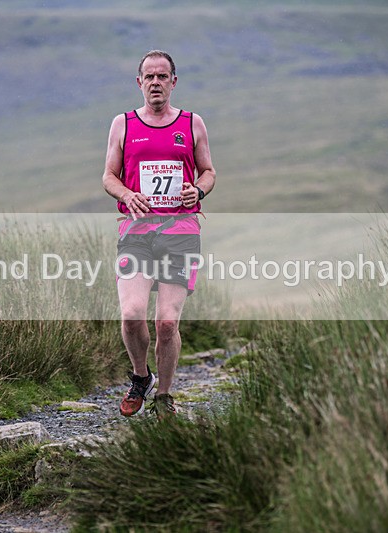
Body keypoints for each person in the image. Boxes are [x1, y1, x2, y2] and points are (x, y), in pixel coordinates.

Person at [102, 50, 216, 420]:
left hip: (181, 232)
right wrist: (126, 194)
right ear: (139, 82)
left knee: (167, 323)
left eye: (162, 76)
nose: (155, 83)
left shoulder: (192, 123)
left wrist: (197, 191)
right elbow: (109, 176)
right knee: (132, 313)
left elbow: (209, 172)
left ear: (173, 82)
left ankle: (164, 397)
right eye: (148, 77)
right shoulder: (122, 124)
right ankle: (141, 377)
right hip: (136, 231)